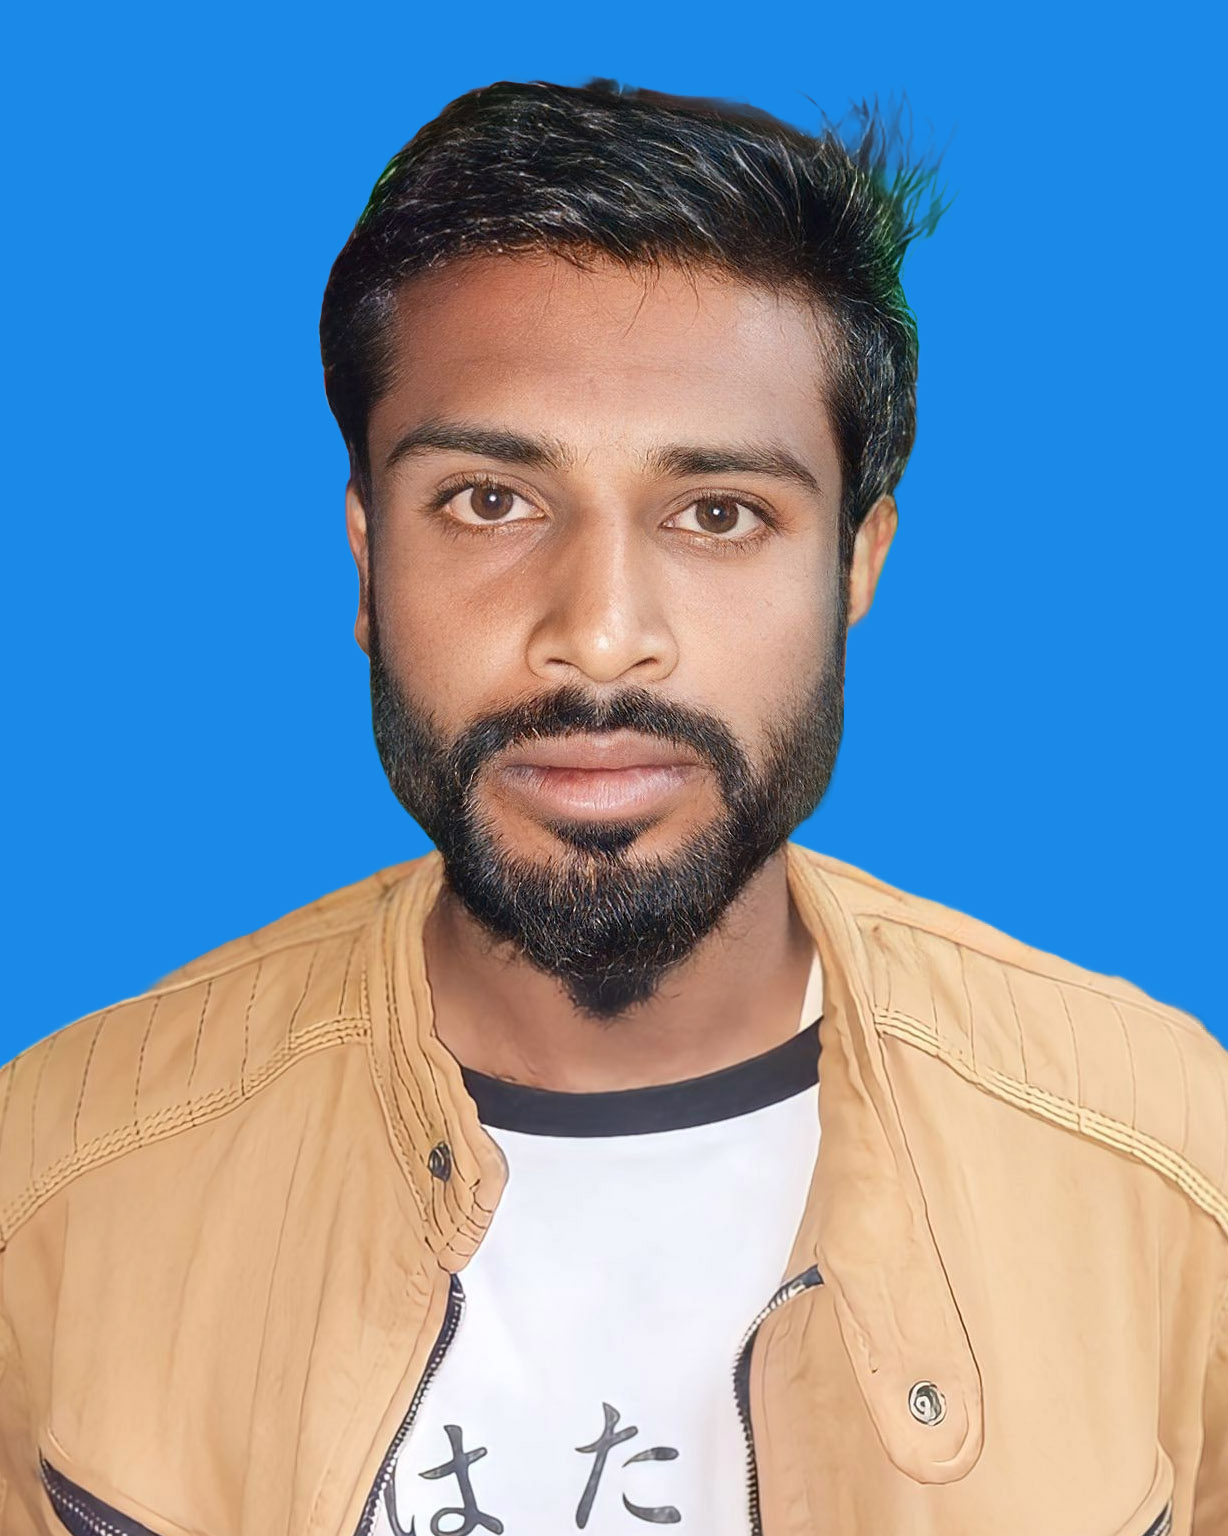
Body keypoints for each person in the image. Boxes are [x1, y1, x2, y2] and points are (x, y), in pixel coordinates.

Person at [0, 77, 1223, 1536]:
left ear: (856, 564)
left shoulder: (1173, 1167)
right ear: (366, 557)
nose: (597, 636)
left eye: (719, 514)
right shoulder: (52, 1177)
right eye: (488, 502)